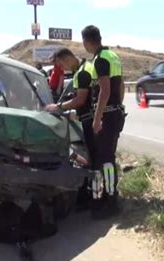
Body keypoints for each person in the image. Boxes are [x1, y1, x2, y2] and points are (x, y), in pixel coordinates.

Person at [82, 25, 126, 219]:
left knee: (106, 159)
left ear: (88, 41)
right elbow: (122, 86)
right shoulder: (113, 56)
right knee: (106, 157)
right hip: (114, 113)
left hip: (107, 116)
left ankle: (111, 200)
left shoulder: (100, 60)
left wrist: (98, 118)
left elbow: (105, 91)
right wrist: (118, 107)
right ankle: (106, 197)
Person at [44, 48, 95, 208]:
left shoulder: (82, 71)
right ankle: (95, 197)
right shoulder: (83, 68)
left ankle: (95, 198)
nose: (62, 68)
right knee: (93, 160)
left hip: (91, 120)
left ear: (66, 58)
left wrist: (59, 106)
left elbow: (81, 99)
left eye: (60, 64)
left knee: (93, 161)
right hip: (89, 118)